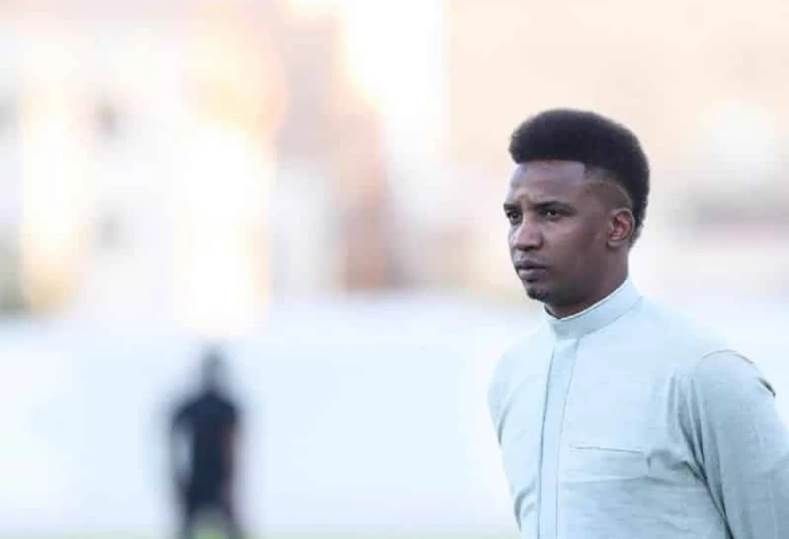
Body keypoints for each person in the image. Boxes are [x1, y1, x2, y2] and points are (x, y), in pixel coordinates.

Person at [488, 108, 789, 538]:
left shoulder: (703, 371)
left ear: (617, 227)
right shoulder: (514, 374)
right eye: (514, 216)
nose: (523, 238)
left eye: (551, 214)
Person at [170, 347, 243, 539]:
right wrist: (176, 476)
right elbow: (174, 438)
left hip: (218, 479)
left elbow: (232, 446)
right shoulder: (194, 406)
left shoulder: (225, 407)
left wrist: (230, 482)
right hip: (197, 479)